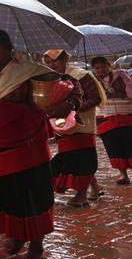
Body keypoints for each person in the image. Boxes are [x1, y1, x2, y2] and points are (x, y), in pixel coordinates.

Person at [0, 29, 80, 259]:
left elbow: (70, 87)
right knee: (1, 195)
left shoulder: (29, 71)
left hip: (26, 149)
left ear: (9, 49)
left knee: (30, 198)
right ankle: (18, 233)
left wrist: (67, 104)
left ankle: (36, 245)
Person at [43, 50, 106, 205]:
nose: (52, 65)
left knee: (81, 158)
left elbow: (95, 97)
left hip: (83, 124)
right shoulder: (52, 78)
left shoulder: (80, 75)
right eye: (48, 62)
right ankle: (94, 188)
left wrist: (74, 109)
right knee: (74, 157)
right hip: (62, 124)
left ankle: (82, 196)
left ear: (65, 60)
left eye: (55, 61)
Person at [91, 56, 132, 185]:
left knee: (129, 143)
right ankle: (123, 175)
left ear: (108, 65)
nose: (101, 69)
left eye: (103, 66)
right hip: (104, 117)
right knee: (112, 146)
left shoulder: (121, 75)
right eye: (97, 68)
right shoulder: (92, 80)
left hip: (125, 114)